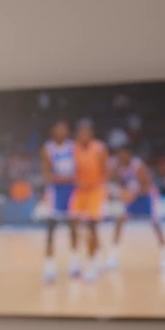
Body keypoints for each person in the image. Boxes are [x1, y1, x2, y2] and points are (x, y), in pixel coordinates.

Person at [109, 146, 165, 274]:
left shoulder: (137, 166)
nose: (120, 158)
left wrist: (132, 193)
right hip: (132, 198)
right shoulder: (120, 168)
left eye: (122, 155)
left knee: (156, 226)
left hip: (146, 197)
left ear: (128, 154)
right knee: (120, 222)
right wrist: (121, 192)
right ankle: (113, 257)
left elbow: (146, 185)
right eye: (119, 155)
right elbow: (120, 184)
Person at [69, 118, 109, 282]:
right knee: (73, 224)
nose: (84, 134)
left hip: (95, 191)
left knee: (92, 227)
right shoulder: (72, 149)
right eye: (81, 131)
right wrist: (76, 181)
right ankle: (75, 259)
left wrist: (96, 184)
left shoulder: (99, 148)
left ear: (91, 134)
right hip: (79, 191)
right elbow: (69, 171)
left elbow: (107, 171)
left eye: (86, 131)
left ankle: (92, 265)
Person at [39, 120, 78, 283]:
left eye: (64, 129)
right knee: (51, 230)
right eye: (58, 129)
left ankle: (75, 263)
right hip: (55, 193)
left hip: (72, 192)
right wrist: (67, 179)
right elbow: (47, 175)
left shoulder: (74, 147)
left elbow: (80, 171)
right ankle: (49, 267)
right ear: (53, 132)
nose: (61, 132)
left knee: (73, 228)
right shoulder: (47, 148)